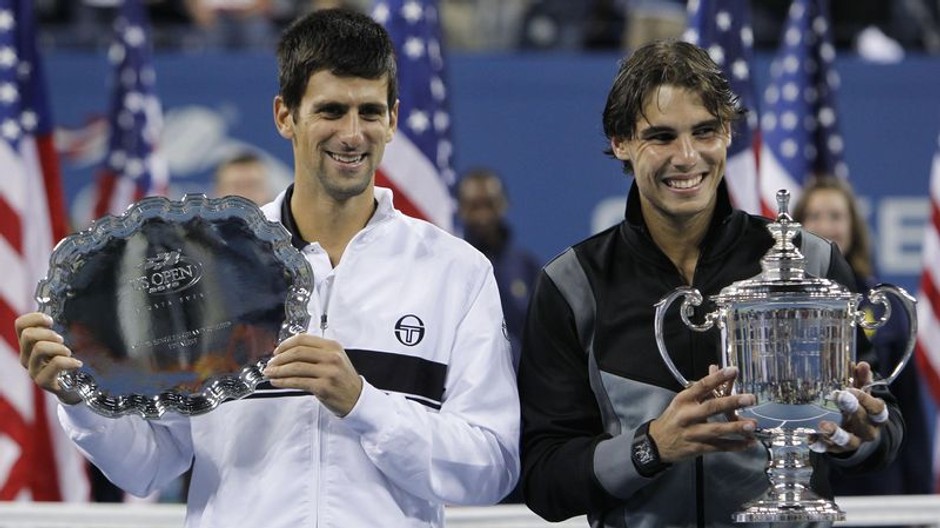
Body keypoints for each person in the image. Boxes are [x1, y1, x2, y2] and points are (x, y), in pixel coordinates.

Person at [16, 8, 519, 527]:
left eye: (369, 112)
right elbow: (150, 464)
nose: (352, 134)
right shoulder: (207, 261)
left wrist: (363, 403)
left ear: (392, 119)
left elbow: (492, 468)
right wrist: (78, 395)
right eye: (330, 110)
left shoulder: (455, 271)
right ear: (285, 116)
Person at [517, 39, 904, 528]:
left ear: (727, 133)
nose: (686, 157)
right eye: (661, 137)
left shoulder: (810, 261)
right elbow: (543, 481)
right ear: (620, 142)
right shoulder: (572, 284)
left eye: (704, 131)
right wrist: (651, 447)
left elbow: (882, 430)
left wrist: (859, 434)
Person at [793, 176, 933, 498]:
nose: (825, 226)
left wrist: (920, 496)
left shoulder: (884, 306)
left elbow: (908, 406)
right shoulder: (774, 309)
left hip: (874, 483)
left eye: (835, 216)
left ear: (853, 225)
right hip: (803, 482)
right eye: (814, 216)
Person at [457, 167, 541, 369]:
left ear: (504, 204)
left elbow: (540, 335)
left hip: (519, 386)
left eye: (489, 204)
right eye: (474, 206)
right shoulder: (450, 265)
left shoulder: (526, 267)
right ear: (460, 208)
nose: (482, 215)